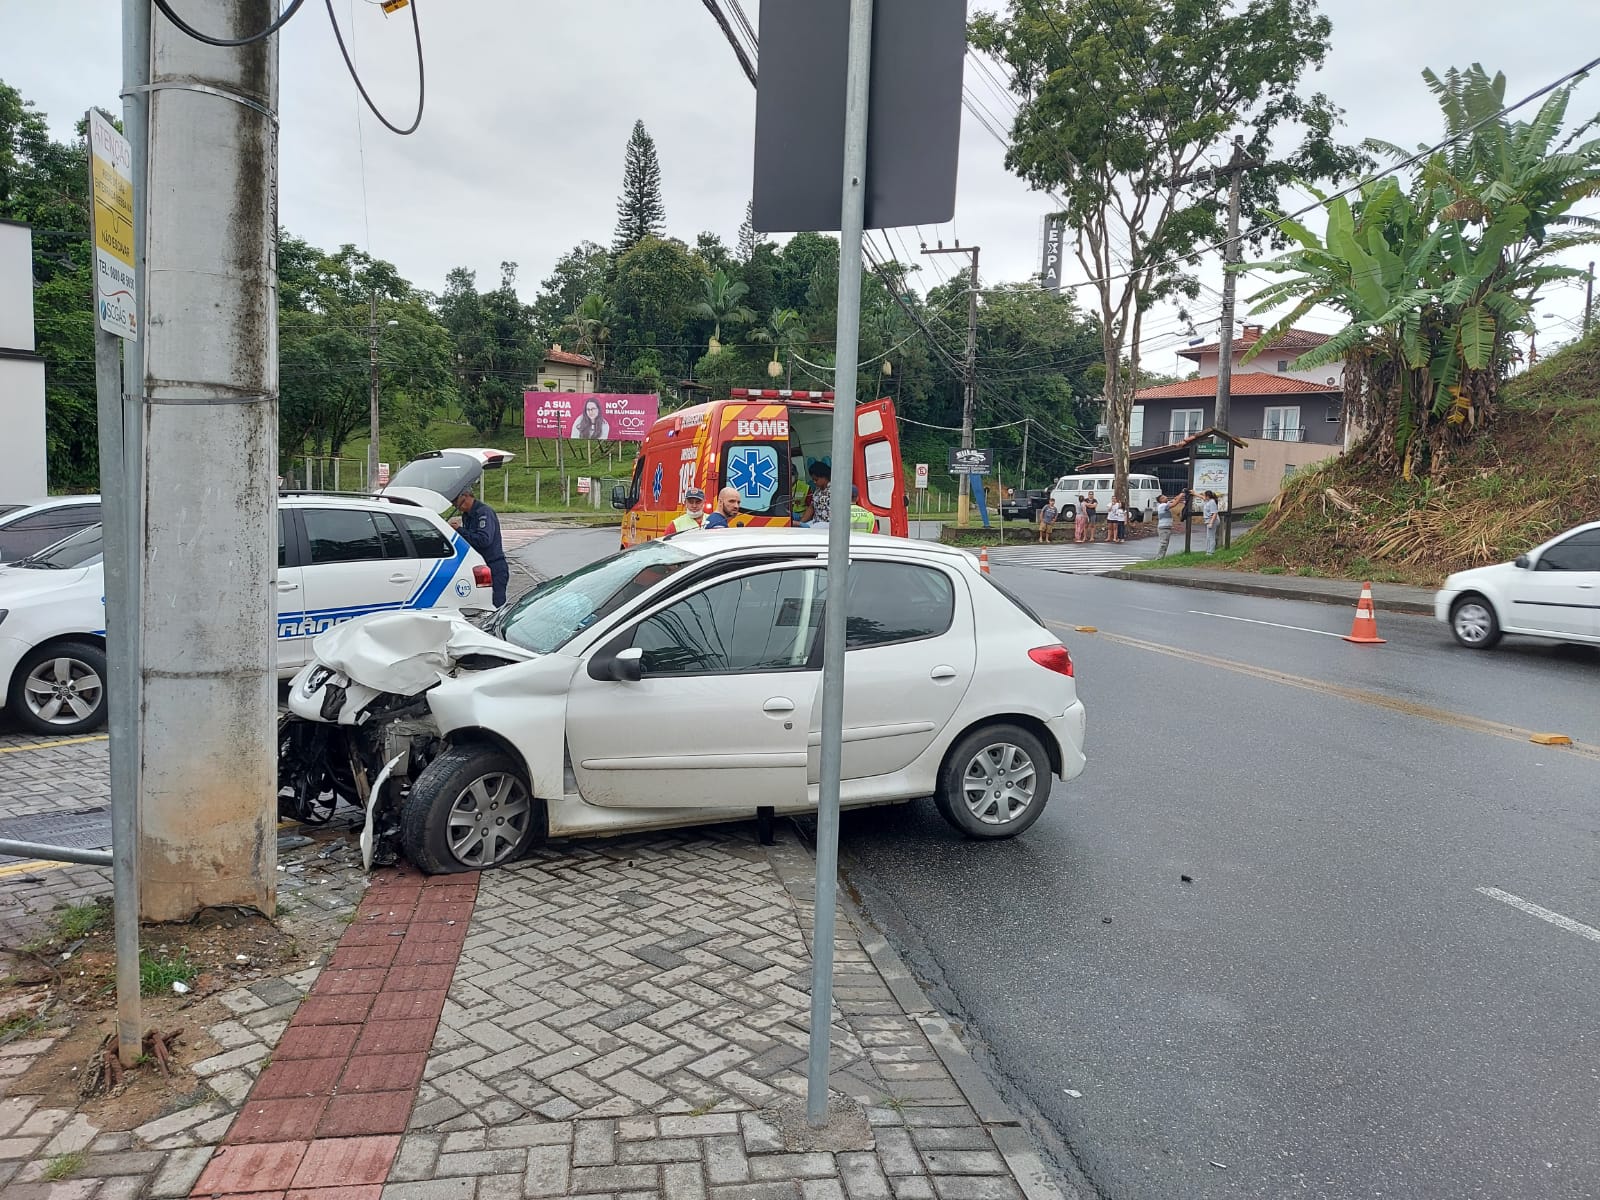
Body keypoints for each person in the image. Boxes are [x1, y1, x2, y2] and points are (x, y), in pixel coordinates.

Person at [451, 485, 508, 606]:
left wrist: (460, 530)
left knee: (495, 605)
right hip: (480, 566)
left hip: (494, 566)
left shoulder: (483, 513)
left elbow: (484, 540)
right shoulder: (466, 515)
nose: (455, 506)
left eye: (456, 503)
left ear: (465, 496)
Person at [1154, 490, 1183, 558]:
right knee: (1163, 543)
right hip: (1163, 527)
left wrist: (1179, 495)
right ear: (1161, 500)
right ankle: (1159, 558)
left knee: (1165, 543)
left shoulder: (1165, 504)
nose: (1166, 497)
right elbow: (1174, 503)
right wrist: (1181, 495)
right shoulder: (1163, 506)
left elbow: (1174, 500)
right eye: (1164, 497)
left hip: (1166, 527)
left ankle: (1161, 557)